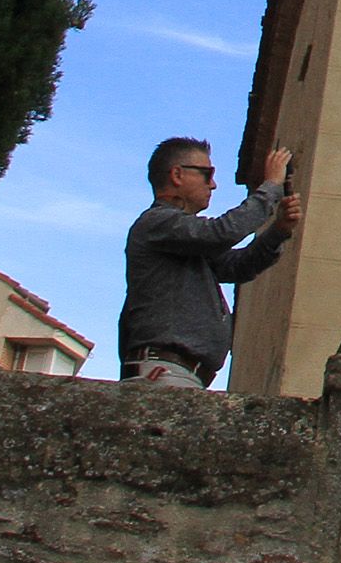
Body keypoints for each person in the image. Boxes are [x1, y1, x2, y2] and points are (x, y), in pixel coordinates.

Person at [118, 139, 298, 389]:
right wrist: (271, 187)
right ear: (177, 175)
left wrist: (278, 231)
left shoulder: (184, 240)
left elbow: (238, 265)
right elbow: (222, 232)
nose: (213, 184)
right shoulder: (156, 223)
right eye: (207, 174)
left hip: (180, 374)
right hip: (166, 372)